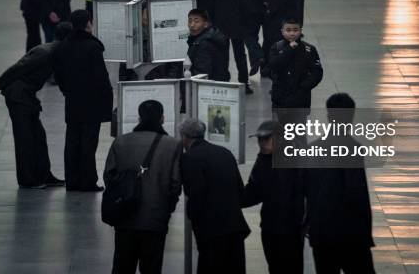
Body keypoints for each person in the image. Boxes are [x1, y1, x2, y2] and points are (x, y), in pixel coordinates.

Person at [0, 22, 72, 189]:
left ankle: (44, 175)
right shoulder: (45, 52)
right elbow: (19, 67)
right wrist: (0, 81)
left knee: (38, 137)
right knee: (25, 139)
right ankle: (27, 180)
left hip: (28, 96)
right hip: (18, 95)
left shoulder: (56, 52)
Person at [104, 100, 182, 274]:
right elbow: (175, 184)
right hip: (155, 218)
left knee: (122, 266)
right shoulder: (172, 145)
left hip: (125, 217)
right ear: (162, 119)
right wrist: (167, 208)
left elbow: (109, 176)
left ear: (139, 118)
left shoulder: (121, 142)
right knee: (151, 267)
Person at [304, 93, 375, 273]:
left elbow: (305, 190)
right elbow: (356, 193)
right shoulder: (353, 149)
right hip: (351, 234)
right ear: (352, 116)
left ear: (329, 117)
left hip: (321, 233)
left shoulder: (313, 148)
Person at [179, 118, 250, 274]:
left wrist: (193, 215)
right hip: (234, 226)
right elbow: (240, 191)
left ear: (185, 137)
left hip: (210, 229)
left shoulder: (189, 158)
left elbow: (195, 194)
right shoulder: (224, 153)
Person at [53, 10, 113, 191]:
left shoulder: (63, 46)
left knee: (72, 140)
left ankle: (72, 180)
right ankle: (87, 181)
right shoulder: (93, 47)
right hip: (91, 102)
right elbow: (101, 78)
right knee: (88, 142)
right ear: (89, 23)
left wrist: (67, 91)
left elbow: (59, 75)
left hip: (72, 100)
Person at [242, 120, 304, 274]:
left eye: (266, 138)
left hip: (290, 229)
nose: (262, 143)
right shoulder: (263, 159)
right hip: (271, 226)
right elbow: (255, 191)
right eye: (259, 139)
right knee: (275, 267)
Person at [269, 17, 323, 140]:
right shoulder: (276, 48)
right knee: (280, 134)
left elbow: (317, 72)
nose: (292, 33)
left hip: (300, 100)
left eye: (295, 30)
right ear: (282, 31)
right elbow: (274, 65)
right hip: (280, 99)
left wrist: (303, 87)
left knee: (299, 135)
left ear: (300, 31)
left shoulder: (309, 50)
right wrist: (289, 49)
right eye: (288, 30)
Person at [207, 0, 253, 94]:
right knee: (240, 55)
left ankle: (223, 81)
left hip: (219, 25)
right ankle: (244, 82)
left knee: (222, 54)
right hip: (237, 26)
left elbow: (210, 5)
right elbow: (246, 7)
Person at [261, 0, 298, 77]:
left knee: (271, 48)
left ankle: (268, 70)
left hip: (274, 28)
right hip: (287, 25)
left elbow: (270, 9)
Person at [186, 9, 229, 82]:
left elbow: (201, 74)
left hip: (207, 87)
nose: (192, 25)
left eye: (196, 21)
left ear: (205, 24)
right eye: (190, 21)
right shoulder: (211, 36)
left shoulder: (203, 44)